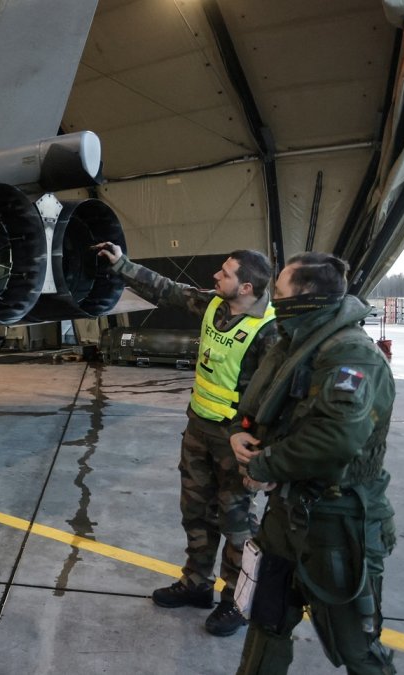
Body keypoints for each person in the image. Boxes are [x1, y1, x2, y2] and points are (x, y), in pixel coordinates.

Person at [97, 242, 277, 637]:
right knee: (195, 511)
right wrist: (121, 265)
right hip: (199, 429)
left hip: (237, 442)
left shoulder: (269, 332)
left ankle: (235, 599)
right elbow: (166, 289)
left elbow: (278, 400)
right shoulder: (214, 304)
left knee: (237, 523)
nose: (216, 276)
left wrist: (264, 459)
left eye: (226, 273)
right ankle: (197, 584)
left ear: (246, 287)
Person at [231, 252, 396, 674]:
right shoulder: (294, 344)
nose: (272, 298)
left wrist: (263, 466)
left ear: (304, 297)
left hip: (335, 524)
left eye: (280, 291)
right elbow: (263, 403)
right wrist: (240, 433)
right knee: (266, 620)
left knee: (356, 646)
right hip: (285, 515)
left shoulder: (350, 355)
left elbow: (333, 440)